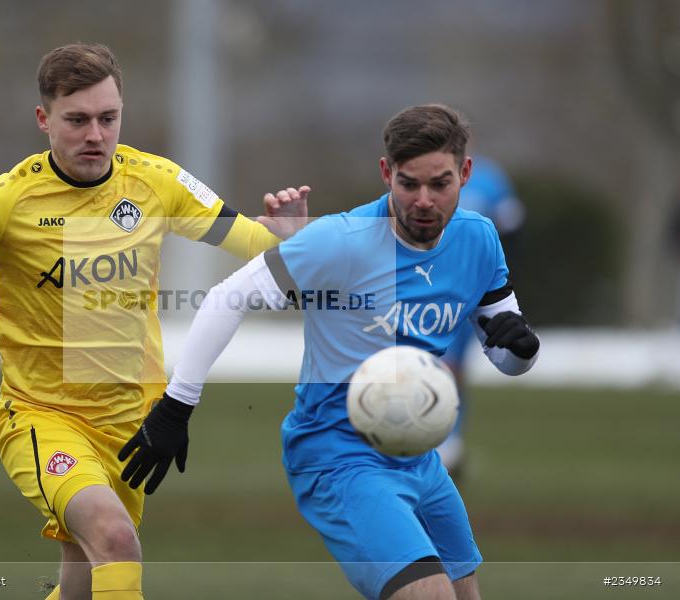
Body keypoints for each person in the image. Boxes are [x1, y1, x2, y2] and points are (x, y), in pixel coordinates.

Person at [0, 42, 307, 600]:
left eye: (108, 118)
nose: (95, 135)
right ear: (43, 119)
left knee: (79, 584)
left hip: (131, 425)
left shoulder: (156, 182)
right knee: (116, 541)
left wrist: (288, 238)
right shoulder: (5, 200)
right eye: (76, 120)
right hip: (42, 417)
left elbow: (250, 240)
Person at [119, 104, 540, 599]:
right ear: (387, 173)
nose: (424, 200)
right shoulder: (341, 239)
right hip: (339, 457)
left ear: (465, 173)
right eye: (408, 184)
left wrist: (523, 349)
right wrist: (177, 405)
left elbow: (507, 357)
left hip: (418, 456)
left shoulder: (480, 239)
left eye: (440, 184)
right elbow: (227, 297)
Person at [436, 155, 525, 473]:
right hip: (430, 283)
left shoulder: (491, 179)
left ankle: (449, 442)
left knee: (453, 367)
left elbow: (513, 225)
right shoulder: (425, 179)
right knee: (433, 364)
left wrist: (498, 278)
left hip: (471, 289)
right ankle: (430, 441)